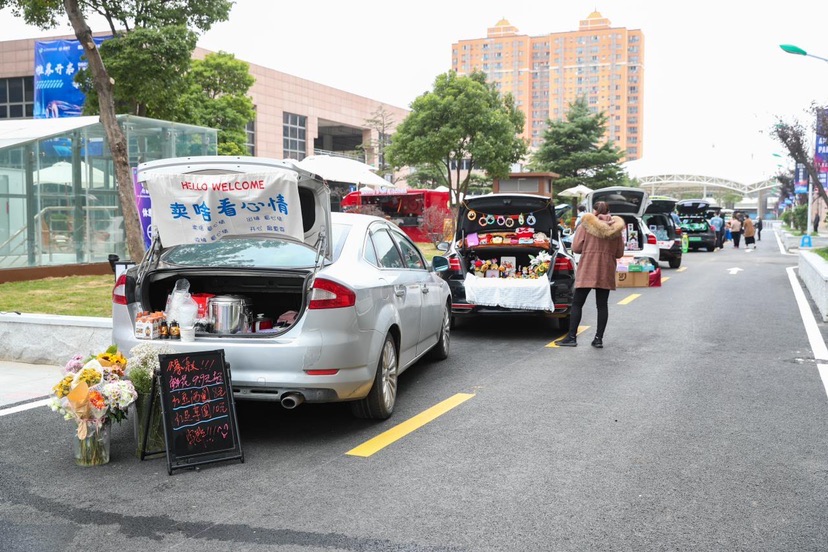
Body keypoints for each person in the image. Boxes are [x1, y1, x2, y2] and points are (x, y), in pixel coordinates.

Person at [558, 201, 625, 348]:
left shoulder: (585, 226)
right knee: (602, 305)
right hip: (606, 269)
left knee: (577, 303)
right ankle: (598, 339)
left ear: (594, 210)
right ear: (608, 211)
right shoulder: (616, 229)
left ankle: (571, 337)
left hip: (588, 266)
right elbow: (619, 253)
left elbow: (576, 248)